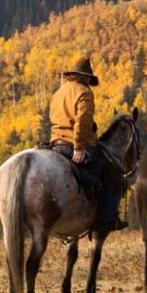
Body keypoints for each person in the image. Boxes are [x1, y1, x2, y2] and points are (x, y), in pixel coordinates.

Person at [49, 55, 120, 230]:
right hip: (73, 144)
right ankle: (106, 219)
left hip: (55, 143)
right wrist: (79, 147)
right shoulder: (84, 92)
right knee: (108, 173)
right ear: (83, 76)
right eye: (88, 77)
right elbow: (82, 121)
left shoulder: (59, 92)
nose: (89, 80)